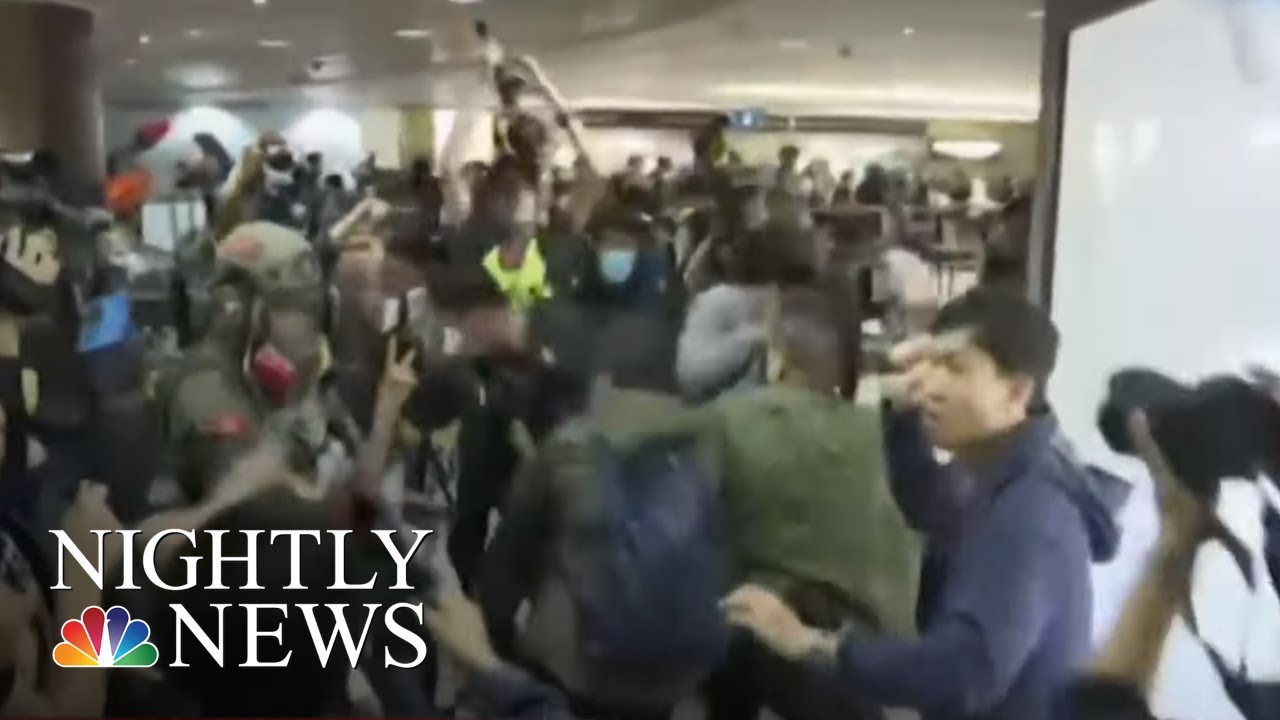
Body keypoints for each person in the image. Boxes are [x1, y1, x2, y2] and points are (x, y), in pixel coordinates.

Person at [724, 287, 1123, 720]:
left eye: (954, 367)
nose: (929, 383)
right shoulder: (1000, 470)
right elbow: (933, 509)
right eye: (928, 363)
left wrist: (812, 644)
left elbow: (965, 673)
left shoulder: (1032, 512)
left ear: (1015, 393)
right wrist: (900, 413)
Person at [703, 285, 921, 720]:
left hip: (759, 643)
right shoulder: (887, 432)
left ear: (778, 357)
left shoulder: (729, 420)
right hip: (870, 660)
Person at [675, 219, 820, 402]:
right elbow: (775, 342)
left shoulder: (718, 294)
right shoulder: (751, 297)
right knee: (767, 337)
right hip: (709, 379)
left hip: (690, 376)